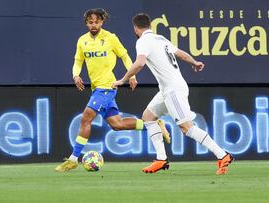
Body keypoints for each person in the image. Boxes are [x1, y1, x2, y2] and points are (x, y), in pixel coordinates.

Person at [113, 13, 234, 175]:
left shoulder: (142, 41)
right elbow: (181, 54)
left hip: (173, 91)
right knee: (148, 117)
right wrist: (194, 62)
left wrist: (123, 79)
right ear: (150, 25)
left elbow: (140, 63)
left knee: (186, 128)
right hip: (168, 89)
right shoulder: (160, 38)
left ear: (135, 28)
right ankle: (161, 159)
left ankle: (223, 155)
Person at [55, 9, 170, 172]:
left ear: (102, 22)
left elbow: (124, 56)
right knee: (117, 124)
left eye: (97, 22)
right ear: (86, 23)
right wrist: (75, 75)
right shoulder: (82, 41)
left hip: (107, 87)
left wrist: (132, 75)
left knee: (86, 118)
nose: (93, 25)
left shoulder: (110, 38)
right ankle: (153, 124)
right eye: (90, 22)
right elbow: (78, 61)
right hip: (96, 89)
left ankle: (73, 159)